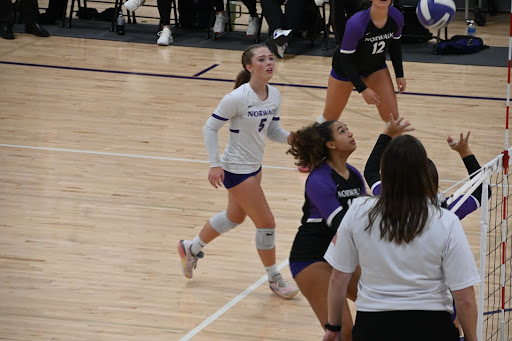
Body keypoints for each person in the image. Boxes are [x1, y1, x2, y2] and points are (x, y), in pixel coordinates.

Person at [322, 134, 480, 341]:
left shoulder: (359, 210)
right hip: (431, 327)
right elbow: (465, 298)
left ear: (386, 173)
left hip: (373, 327)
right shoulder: (447, 216)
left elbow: (338, 278)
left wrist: (333, 326)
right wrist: (466, 153)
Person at [177, 44, 299, 300]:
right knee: (266, 223)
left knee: (234, 217)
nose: (269, 63)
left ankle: (191, 247)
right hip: (235, 169)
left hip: (255, 167)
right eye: (261, 59)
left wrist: (291, 138)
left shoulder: (274, 95)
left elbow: (272, 131)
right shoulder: (237, 98)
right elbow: (209, 128)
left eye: (271, 58)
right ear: (248, 67)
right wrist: (214, 164)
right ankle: (274, 278)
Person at [285, 117, 413, 339]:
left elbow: (365, 214)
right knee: (343, 330)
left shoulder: (352, 174)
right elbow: (343, 225)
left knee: (386, 302)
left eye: (348, 128)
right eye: (342, 131)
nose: (350, 133)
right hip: (312, 259)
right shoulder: (318, 180)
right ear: (330, 144)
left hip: (342, 255)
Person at [365, 128, 490, 220]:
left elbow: (370, 171)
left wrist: (387, 134)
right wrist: (465, 153)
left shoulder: (387, 200)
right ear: (433, 183)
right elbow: (484, 192)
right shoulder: (446, 211)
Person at [316, 0, 405, 124]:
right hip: (345, 70)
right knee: (329, 118)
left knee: (393, 120)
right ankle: (306, 142)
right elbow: (346, 59)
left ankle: (387, 144)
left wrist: (399, 74)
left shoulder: (396, 17)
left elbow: (395, 46)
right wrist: (363, 89)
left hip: (375, 67)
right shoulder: (357, 23)